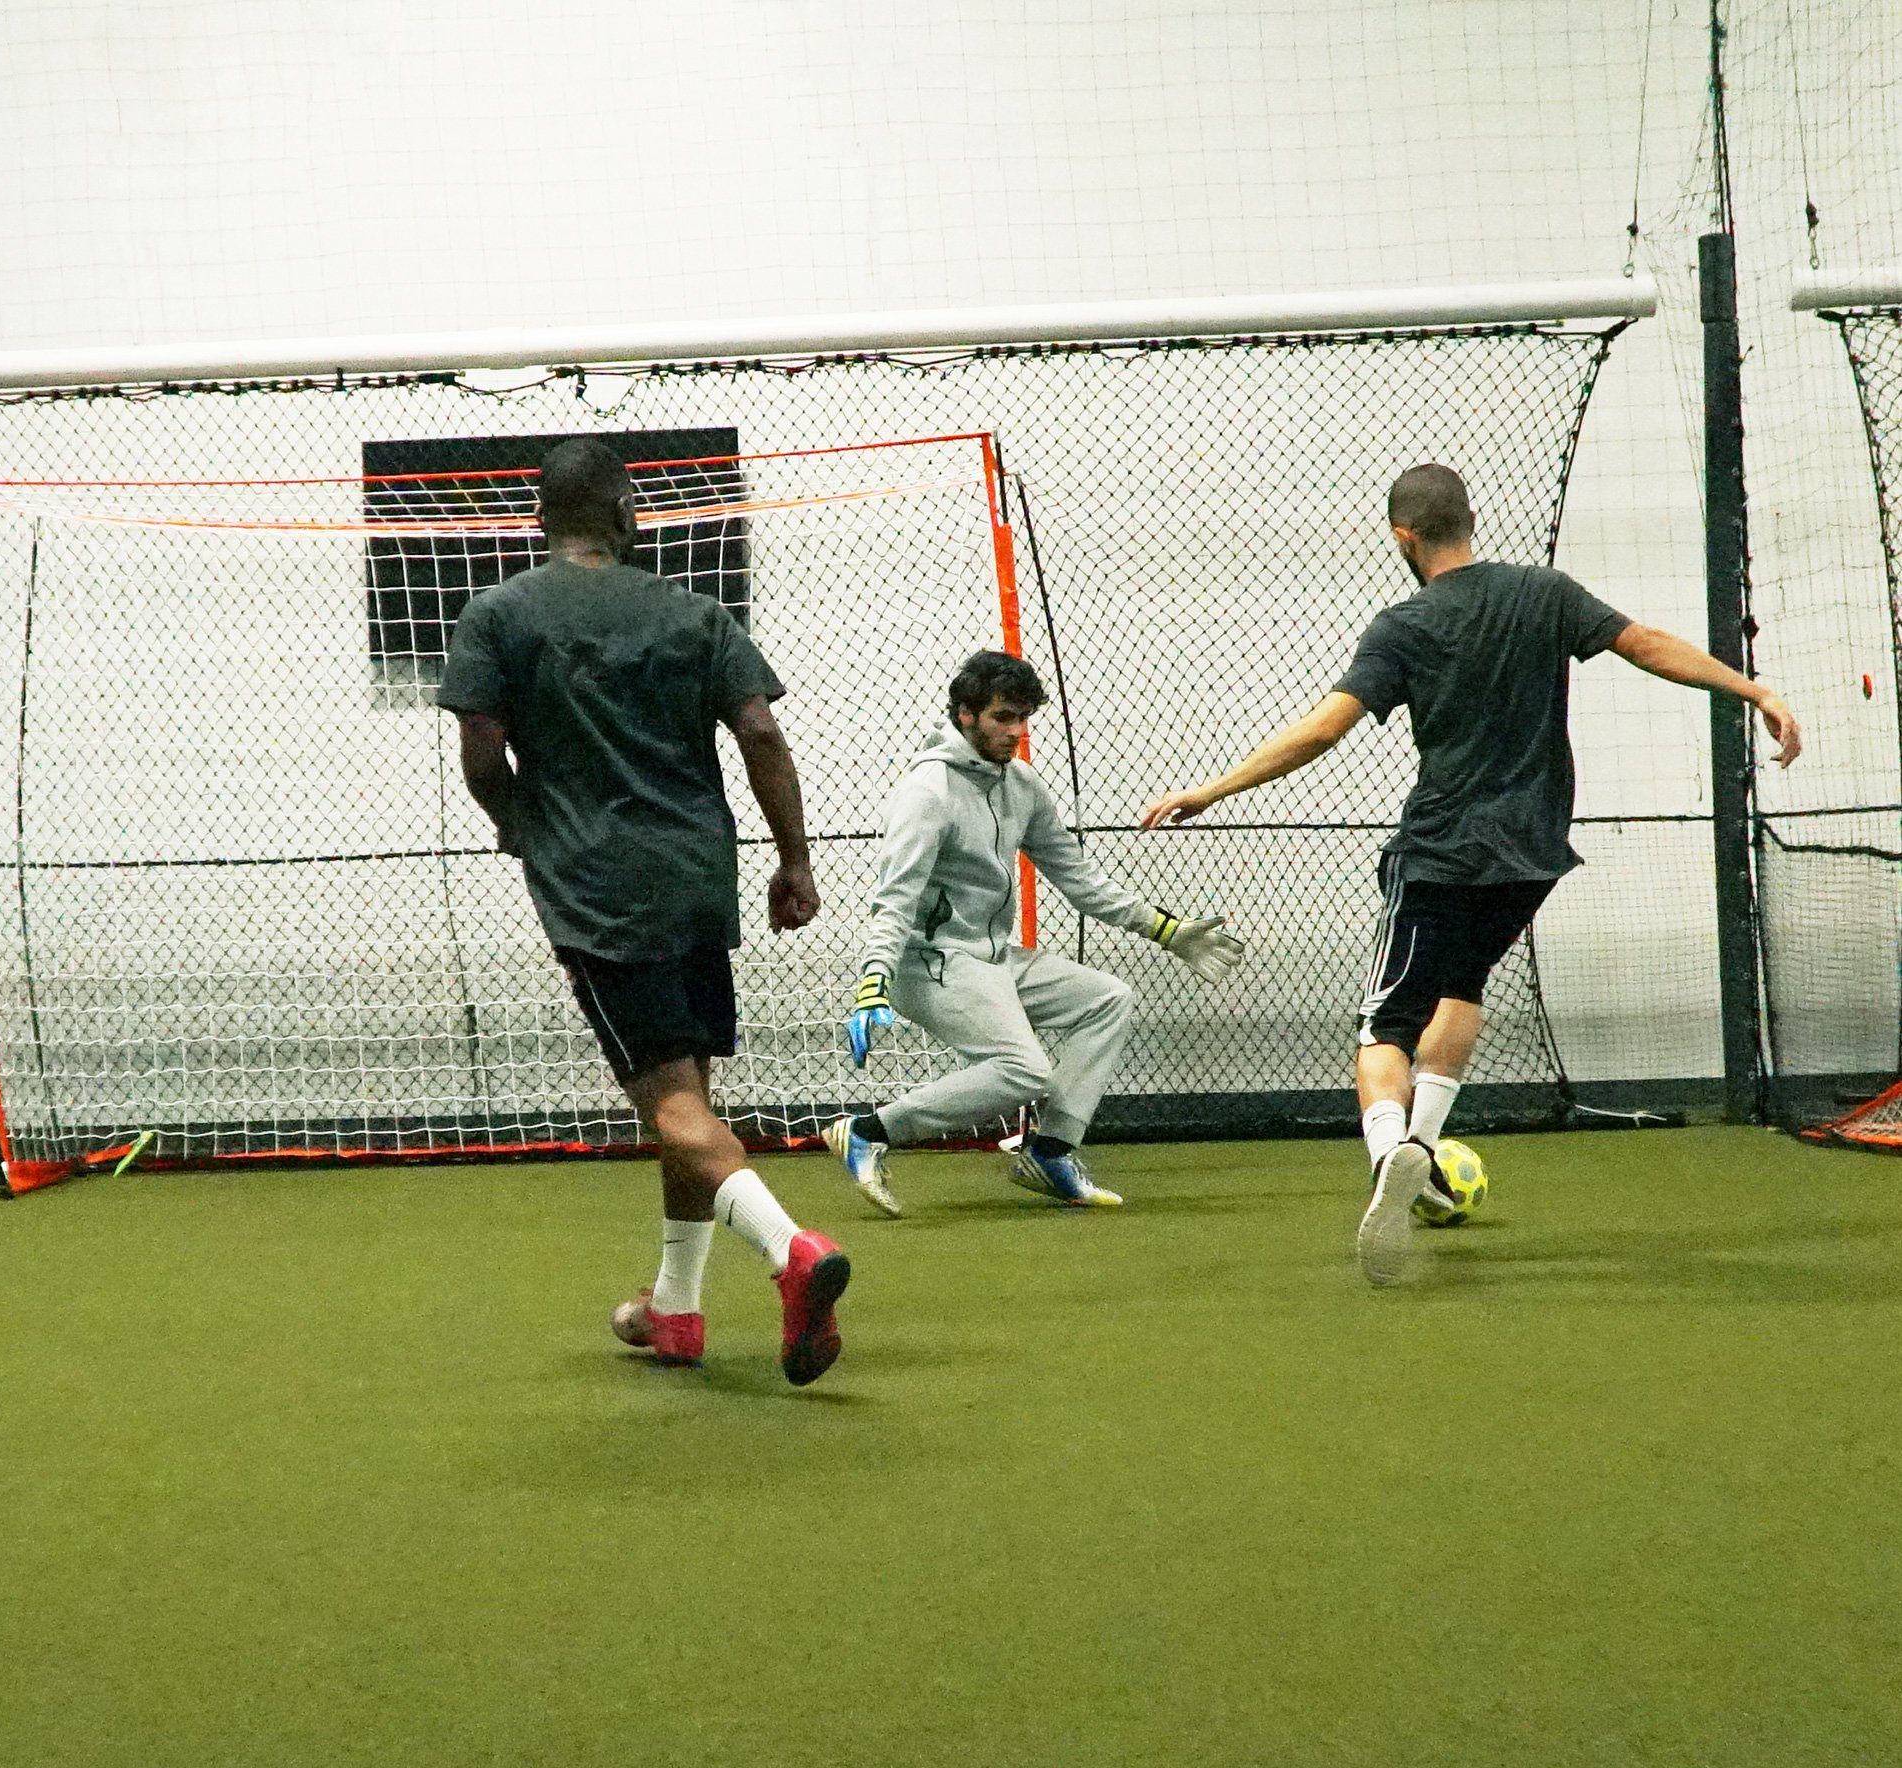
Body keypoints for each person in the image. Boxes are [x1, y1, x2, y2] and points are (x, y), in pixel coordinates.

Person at [1142, 462, 1802, 1286]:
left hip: (1443, 854)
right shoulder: (1544, 592)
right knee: (1463, 988)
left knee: (1383, 1027)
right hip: (1532, 853)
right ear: (1470, 520)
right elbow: (1646, 646)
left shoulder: (1404, 624)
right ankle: (1425, 1142)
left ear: (1403, 537)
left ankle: (1391, 1152)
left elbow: (1322, 731)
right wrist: (1753, 688)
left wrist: (1212, 787)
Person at [439, 436, 850, 1384]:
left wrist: (524, 827)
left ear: (541, 519)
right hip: (700, 878)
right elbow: (761, 733)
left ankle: (794, 1252)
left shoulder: (499, 613)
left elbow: (479, 756)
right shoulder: (695, 613)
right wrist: (794, 859)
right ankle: (675, 1311)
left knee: (668, 1105)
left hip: (599, 890)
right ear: (626, 514)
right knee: (688, 1095)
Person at [825, 649, 1247, 1214]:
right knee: (1023, 1070)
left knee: (1107, 999)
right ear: (966, 713)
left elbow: (1079, 879)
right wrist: (873, 982)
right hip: (929, 963)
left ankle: (1049, 1152)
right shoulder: (927, 791)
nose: (1018, 732)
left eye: (1024, 718)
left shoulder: (1020, 784)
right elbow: (894, 900)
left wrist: (1165, 930)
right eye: (1004, 717)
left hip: (993, 957)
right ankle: (869, 1132)